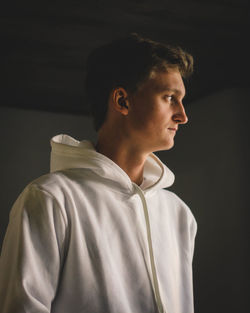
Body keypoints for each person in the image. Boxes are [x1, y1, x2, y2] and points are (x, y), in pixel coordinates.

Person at [0, 33, 197, 313]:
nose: (182, 115)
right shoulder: (50, 199)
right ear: (122, 101)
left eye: (181, 100)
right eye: (169, 98)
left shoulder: (179, 214)